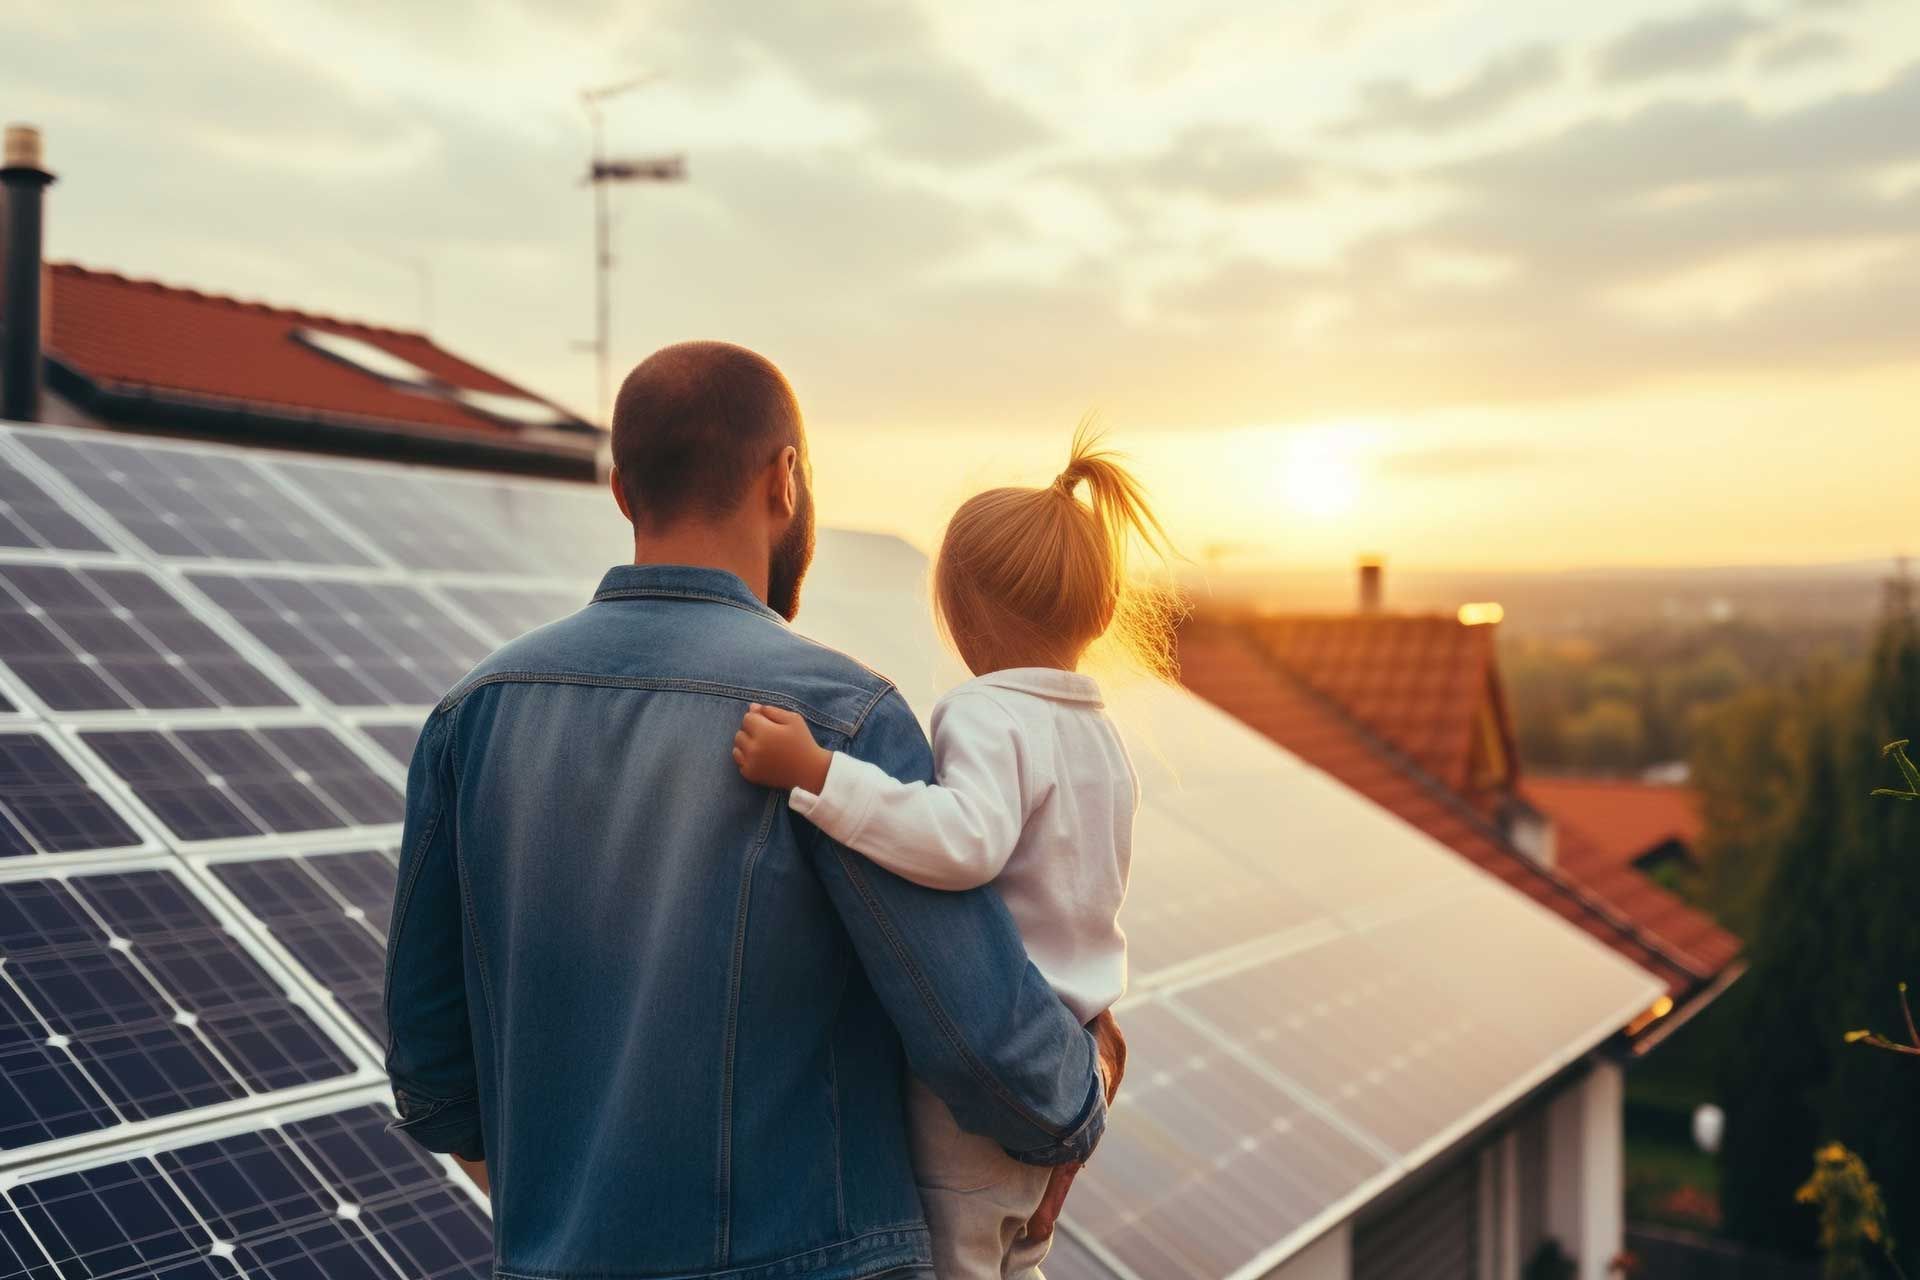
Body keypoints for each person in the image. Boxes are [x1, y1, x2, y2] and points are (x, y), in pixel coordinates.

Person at [383, 342, 1122, 1280]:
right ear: (786, 480)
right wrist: (1084, 1081)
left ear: (622, 491)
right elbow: (986, 1047)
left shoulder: (471, 717)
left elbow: (433, 1074)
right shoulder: (838, 720)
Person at [731, 427, 1172, 1279]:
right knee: (1022, 1257)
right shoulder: (1102, 737)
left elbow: (961, 842)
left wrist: (818, 774)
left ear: (960, 611)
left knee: (957, 1259)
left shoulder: (986, 711)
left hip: (986, 1070)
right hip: (1067, 1059)